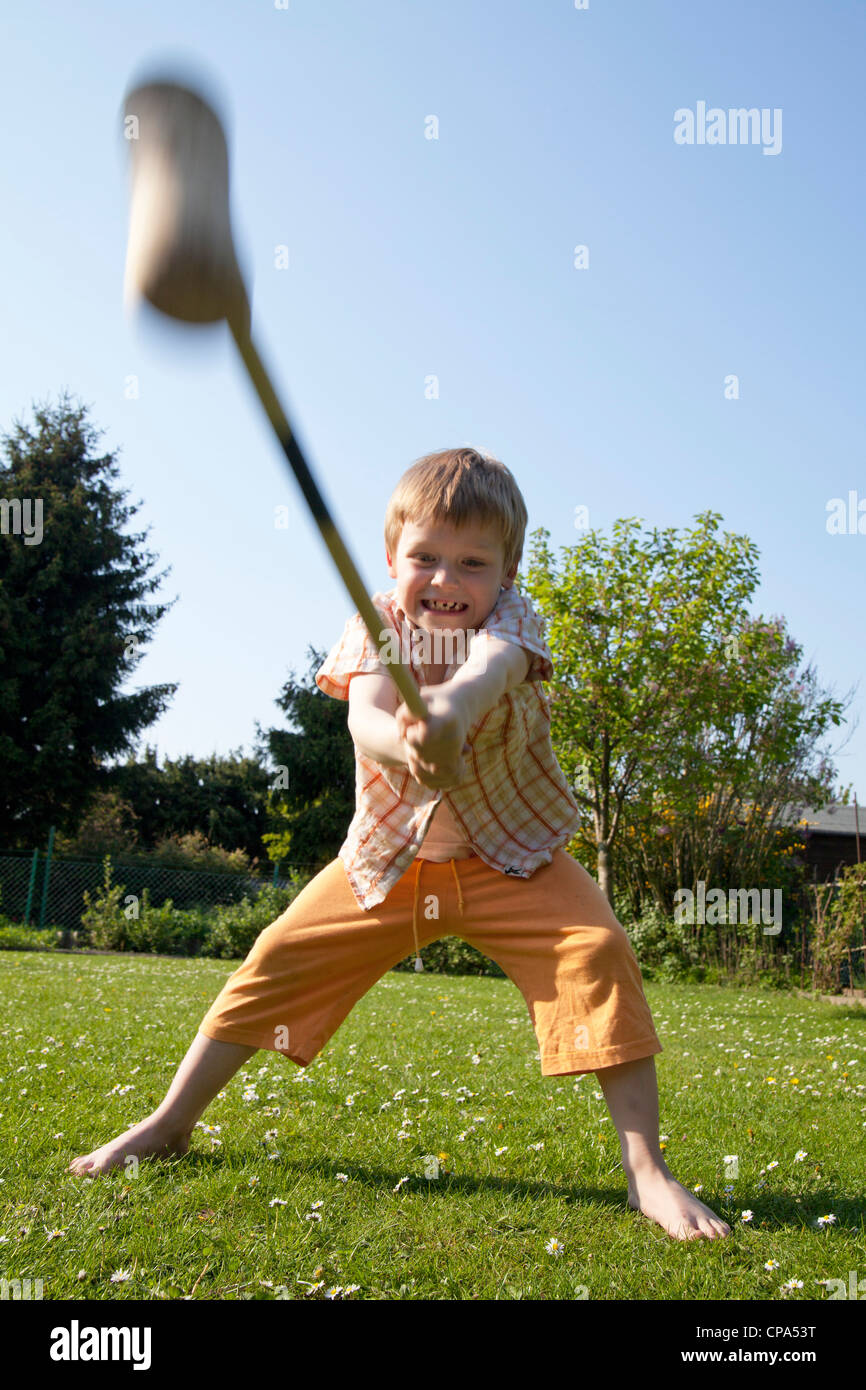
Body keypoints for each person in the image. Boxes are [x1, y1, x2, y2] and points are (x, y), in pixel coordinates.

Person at [69, 447, 730, 1241]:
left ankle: (647, 1173)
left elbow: (491, 670)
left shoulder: (517, 621)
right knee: (275, 958)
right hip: (388, 859)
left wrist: (450, 711)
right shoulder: (375, 622)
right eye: (426, 558)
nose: (447, 581)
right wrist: (404, 743)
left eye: (473, 563)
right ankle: (170, 1123)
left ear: (507, 572)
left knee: (596, 952)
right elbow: (365, 717)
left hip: (512, 858)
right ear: (393, 559)